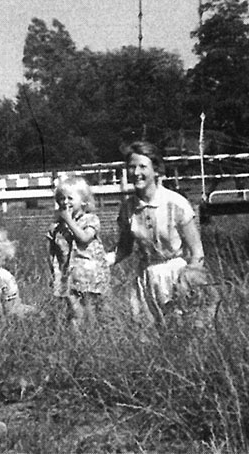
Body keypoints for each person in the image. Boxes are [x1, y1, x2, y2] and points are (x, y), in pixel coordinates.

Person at [114, 141, 206, 326]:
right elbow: (123, 249)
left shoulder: (175, 203)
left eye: (142, 166)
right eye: (132, 167)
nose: (136, 172)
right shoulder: (128, 208)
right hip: (146, 278)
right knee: (147, 337)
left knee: (181, 330)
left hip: (176, 276)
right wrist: (93, 261)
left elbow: (198, 253)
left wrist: (188, 279)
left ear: (155, 170)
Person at [47, 175, 113, 330]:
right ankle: (75, 339)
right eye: (61, 199)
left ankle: (97, 335)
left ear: (83, 201)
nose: (65, 202)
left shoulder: (90, 219)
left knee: (96, 310)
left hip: (90, 275)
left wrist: (69, 221)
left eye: (70, 198)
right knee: (74, 312)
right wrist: (53, 271)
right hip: (68, 276)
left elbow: (84, 238)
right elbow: (51, 250)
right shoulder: (57, 226)